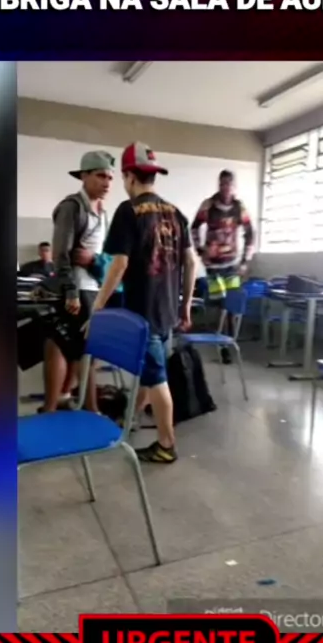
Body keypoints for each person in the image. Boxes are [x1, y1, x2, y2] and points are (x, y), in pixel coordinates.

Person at [85, 142, 196, 464]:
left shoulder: (127, 211)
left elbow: (118, 265)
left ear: (129, 176)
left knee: (157, 378)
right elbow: (191, 263)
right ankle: (132, 416)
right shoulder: (176, 213)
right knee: (151, 370)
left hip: (143, 312)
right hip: (168, 310)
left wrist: (98, 307)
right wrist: (185, 305)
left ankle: (166, 444)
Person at [41, 150, 114, 413]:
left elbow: (104, 254)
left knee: (82, 350)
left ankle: (80, 407)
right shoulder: (72, 207)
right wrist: (71, 292)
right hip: (75, 289)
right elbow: (60, 253)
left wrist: (97, 265)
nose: (107, 182)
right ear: (84, 176)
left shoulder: (102, 211)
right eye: (100, 176)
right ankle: (56, 407)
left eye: (110, 177)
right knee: (61, 345)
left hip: (92, 290)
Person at [191, 170, 254, 362]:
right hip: (213, 266)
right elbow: (194, 227)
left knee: (231, 305)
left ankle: (227, 343)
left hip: (232, 264)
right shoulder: (208, 205)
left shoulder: (239, 207)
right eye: (223, 184)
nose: (226, 187)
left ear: (234, 187)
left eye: (229, 184)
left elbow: (250, 233)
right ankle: (222, 343)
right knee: (220, 303)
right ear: (219, 185)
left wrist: (245, 260)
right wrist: (200, 251)